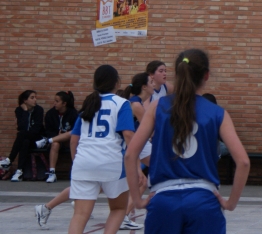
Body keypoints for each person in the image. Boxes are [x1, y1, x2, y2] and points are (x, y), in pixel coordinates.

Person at [124, 49, 250, 234]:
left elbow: (130, 154)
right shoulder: (217, 112)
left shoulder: (157, 106)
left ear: (177, 74)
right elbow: (243, 162)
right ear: (206, 75)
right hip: (203, 201)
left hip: (163, 200)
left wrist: (137, 200)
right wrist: (231, 202)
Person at [68, 64, 135, 234]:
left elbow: (74, 140)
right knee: (118, 209)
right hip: (111, 162)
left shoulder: (88, 104)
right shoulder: (121, 103)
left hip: (83, 162)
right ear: (117, 82)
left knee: (80, 214)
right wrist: (137, 165)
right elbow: (128, 135)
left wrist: (77, 162)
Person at [118, 72, 156, 230]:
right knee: (146, 177)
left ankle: (124, 215)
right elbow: (151, 130)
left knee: (143, 180)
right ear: (144, 87)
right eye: (151, 82)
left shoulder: (137, 102)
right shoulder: (136, 105)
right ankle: (123, 216)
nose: (154, 85)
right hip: (135, 144)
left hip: (139, 144)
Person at [0, 90, 45, 182]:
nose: (35, 100)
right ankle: (19, 171)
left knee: (21, 134)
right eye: (32, 98)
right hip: (26, 138)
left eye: (35, 97)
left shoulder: (39, 110)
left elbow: (36, 130)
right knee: (25, 142)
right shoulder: (19, 110)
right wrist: (25, 112)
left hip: (37, 139)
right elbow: (21, 127)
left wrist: (26, 132)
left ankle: (9, 160)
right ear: (25, 100)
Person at [35, 90, 78, 183]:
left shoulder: (73, 113)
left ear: (64, 103)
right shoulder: (50, 114)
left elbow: (76, 130)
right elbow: (48, 130)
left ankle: (76, 170)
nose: (54, 103)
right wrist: (57, 135)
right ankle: (52, 172)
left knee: (73, 141)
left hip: (69, 140)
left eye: (57, 101)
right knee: (55, 144)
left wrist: (64, 134)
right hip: (55, 139)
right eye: (54, 100)